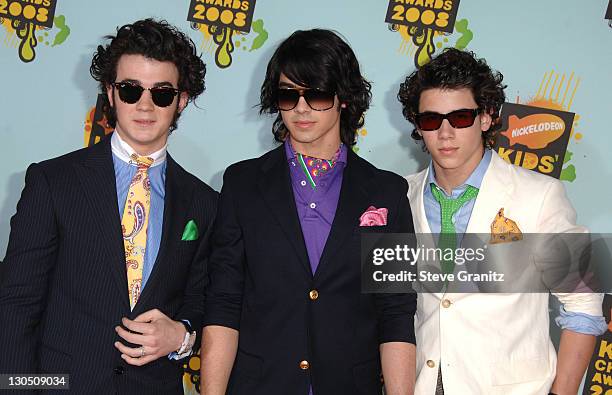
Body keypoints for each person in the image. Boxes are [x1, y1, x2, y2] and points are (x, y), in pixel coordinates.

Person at [0, 19, 217, 394]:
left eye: (162, 93)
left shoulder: (204, 202)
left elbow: (203, 302)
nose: (145, 105)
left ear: (181, 100)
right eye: (131, 90)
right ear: (110, 92)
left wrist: (182, 336)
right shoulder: (53, 182)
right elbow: (16, 306)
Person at [200, 29, 417, 395]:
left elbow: (395, 313)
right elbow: (224, 301)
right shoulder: (242, 184)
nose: (301, 108)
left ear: (343, 99)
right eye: (289, 95)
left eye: (315, 94)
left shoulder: (387, 193)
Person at [398, 48, 607, 394]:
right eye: (432, 120)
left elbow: (584, 304)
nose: (445, 133)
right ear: (419, 127)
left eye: (461, 117)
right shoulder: (400, 196)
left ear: (486, 117)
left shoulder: (539, 196)